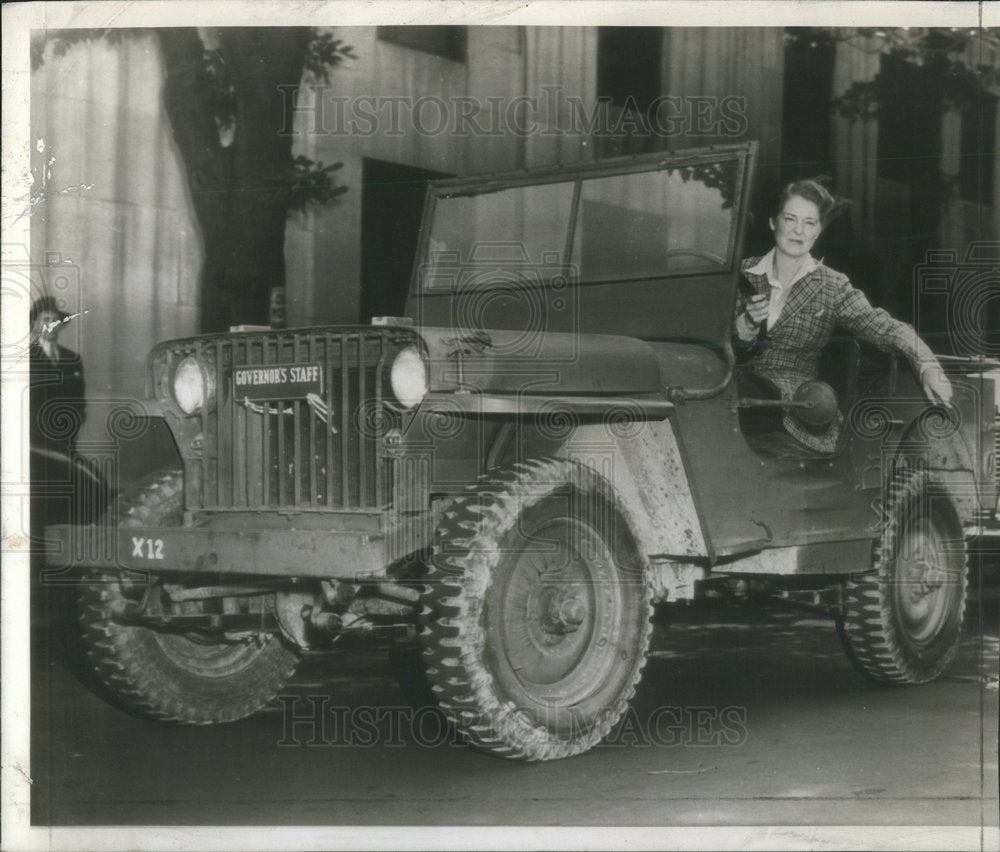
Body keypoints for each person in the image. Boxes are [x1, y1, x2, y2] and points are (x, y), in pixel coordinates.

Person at [734, 179, 952, 453]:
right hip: (731, 402)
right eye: (790, 219)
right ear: (772, 222)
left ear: (818, 231)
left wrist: (927, 365)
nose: (798, 231)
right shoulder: (740, 274)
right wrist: (744, 326)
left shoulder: (832, 286)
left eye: (809, 223)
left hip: (797, 410)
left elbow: (885, 327)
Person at [29, 295, 86, 454]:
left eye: (56, 320)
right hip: (35, 441)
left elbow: (79, 401)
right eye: (46, 320)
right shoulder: (25, 358)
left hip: (67, 438)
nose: (52, 325)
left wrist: (74, 428)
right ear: (35, 324)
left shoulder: (73, 359)